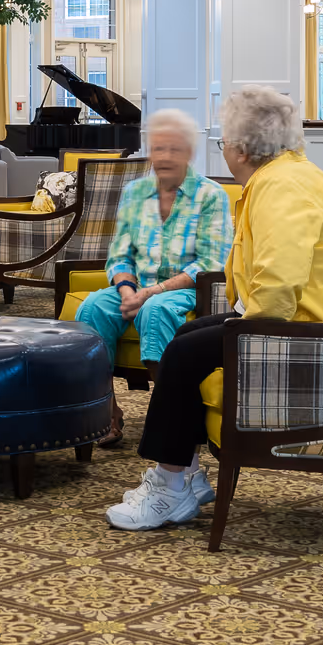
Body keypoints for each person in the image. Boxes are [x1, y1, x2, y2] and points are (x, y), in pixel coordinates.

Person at [105, 85, 323, 531]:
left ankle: (169, 487)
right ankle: (182, 476)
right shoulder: (293, 175)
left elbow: (278, 288)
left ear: (240, 148)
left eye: (223, 144)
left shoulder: (281, 187)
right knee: (188, 337)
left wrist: (239, 324)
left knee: (184, 352)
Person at [72, 109, 231, 448]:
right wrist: (128, 288)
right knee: (92, 308)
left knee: (156, 310)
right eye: (158, 148)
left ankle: (170, 415)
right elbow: (120, 254)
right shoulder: (135, 193)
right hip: (138, 286)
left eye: (174, 149)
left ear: (189, 153)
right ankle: (107, 411)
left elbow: (211, 262)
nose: (165, 156)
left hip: (187, 290)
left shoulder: (210, 196)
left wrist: (150, 292)